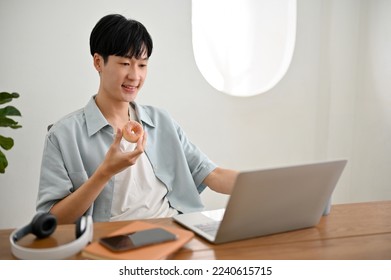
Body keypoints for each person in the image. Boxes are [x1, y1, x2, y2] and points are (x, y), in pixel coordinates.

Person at [36, 14, 238, 224]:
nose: (135, 76)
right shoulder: (63, 135)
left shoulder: (161, 121)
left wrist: (264, 187)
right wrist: (104, 173)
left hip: (174, 230)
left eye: (142, 65)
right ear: (98, 62)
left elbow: (211, 175)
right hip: (111, 242)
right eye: (125, 63)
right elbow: (52, 220)